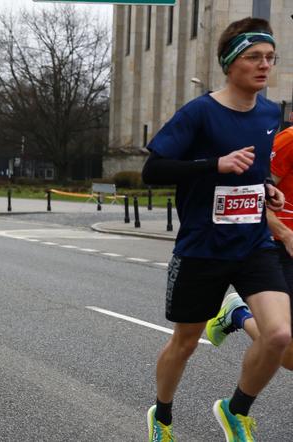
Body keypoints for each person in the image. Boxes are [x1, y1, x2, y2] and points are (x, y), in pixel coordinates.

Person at [141, 18, 289, 441]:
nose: (264, 66)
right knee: (184, 344)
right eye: (253, 58)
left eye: (269, 58)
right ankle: (162, 416)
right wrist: (214, 165)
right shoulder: (200, 112)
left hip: (253, 242)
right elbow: (154, 169)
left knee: (279, 334)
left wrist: (266, 190)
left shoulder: (268, 112)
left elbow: (255, 169)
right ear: (230, 64)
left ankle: (234, 409)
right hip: (203, 246)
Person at [206, 124, 293, 372]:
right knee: (285, 350)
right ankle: (239, 315)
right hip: (279, 249)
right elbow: (258, 197)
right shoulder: (289, 141)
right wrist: (286, 235)